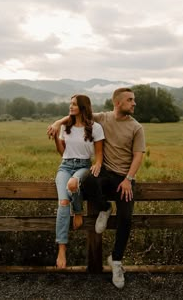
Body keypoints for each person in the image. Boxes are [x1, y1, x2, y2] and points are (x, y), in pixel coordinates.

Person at [47, 87, 145, 289]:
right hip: (106, 174)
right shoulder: (103, 118)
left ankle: (116, 261)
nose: (134, 103)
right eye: (130, 100)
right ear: (117, 103)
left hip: (124, 178)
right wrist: (57, 123)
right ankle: (104, 208)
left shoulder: (136, 127)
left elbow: (138, 155)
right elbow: (79, 114)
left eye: (133, 100)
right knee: (89, 179)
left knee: (126, 218)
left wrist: (129, 179)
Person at [50, 94, 105, 269]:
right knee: (63, 202)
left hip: (83, 166)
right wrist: (56, 140)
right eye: (70, 103)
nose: (70, 106)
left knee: (73, 184)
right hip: (65, 166)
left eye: (74, 104)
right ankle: (62, 248)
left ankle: (79, 210)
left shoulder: (95, 128)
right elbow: (62, 153)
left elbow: (99, 153)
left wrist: (98, 164)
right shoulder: (66, 127)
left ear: (82, 107)